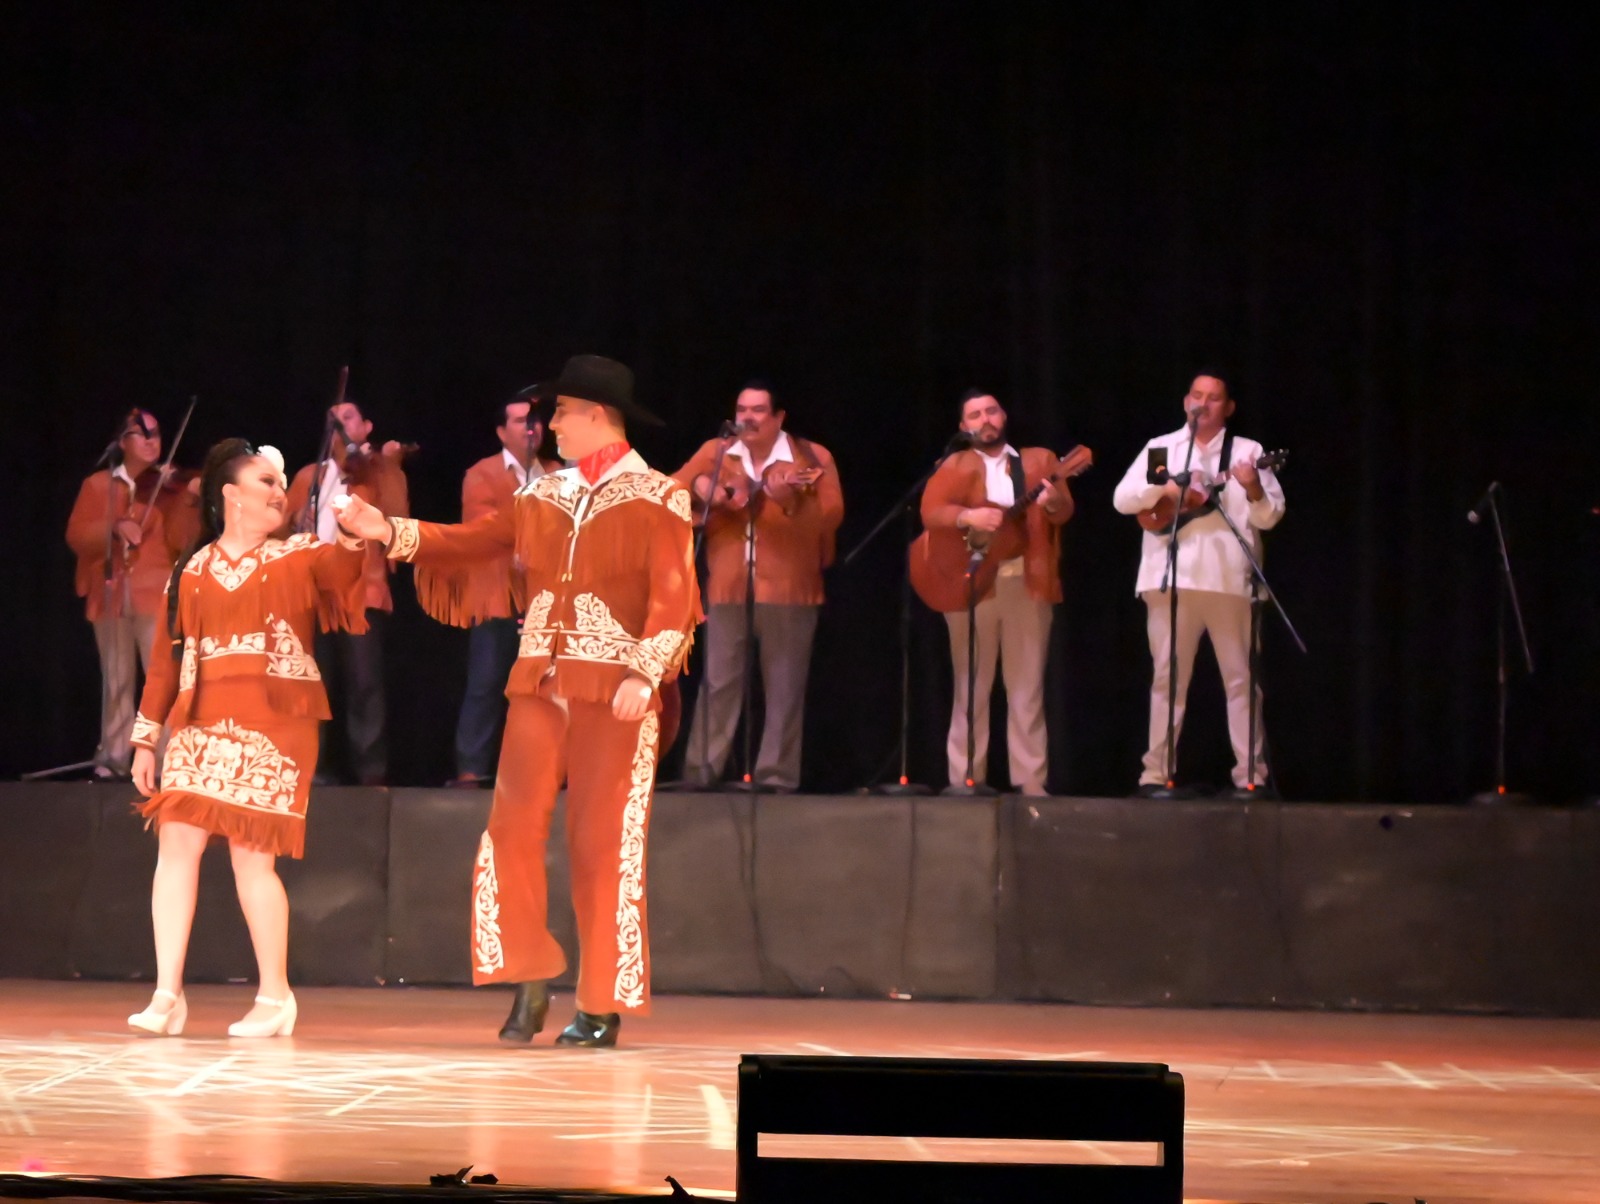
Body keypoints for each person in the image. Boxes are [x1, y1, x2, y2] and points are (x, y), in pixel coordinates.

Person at [337, 355, 699, 1048]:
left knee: (603, 842)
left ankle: (599, 1001)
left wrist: (643, 673)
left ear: (598, 416)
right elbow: (474, 542)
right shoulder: (545, 495)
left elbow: (674, 596)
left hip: (612, 687)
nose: (550, 423)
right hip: (540, 681)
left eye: (560, 412)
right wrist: (389, 531)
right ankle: (530, 973)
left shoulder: (659, 495)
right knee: (508, 831)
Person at [125, 438, 368, 1038]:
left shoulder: (299, 555)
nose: (278, 493)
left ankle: (275, 995)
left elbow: (342, 570)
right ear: (229, 494)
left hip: (276, 717)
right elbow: (163, 660)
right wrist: (144, 738)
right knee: (176, 842)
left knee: (250, 857)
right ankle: (166, 995)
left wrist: (357, 534)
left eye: (280, 485)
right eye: (265, 481)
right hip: (201, 716)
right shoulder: (190, 571)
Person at [1111, 371, 1286, 797]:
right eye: (1197, 396)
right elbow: (1123, 500)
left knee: (1241, 680)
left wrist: (1253, 488)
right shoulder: (1162, 449)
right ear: (1186, 400)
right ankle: (1155, 775)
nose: (1203, 404)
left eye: (1213, 398)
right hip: (1169, 579)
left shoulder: (1248, 452)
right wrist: (1165, 486)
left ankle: (1250, 777)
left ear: (1227, 408)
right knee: (1167, 679)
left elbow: (1269, 516)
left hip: (1229, 580)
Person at [668, 382, 843, 792]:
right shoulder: (717, 453)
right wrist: (700, 488)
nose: (748, 417)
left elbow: (831, 515)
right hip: (729, 585)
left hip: (789, 589)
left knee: (783, 685)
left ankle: (776, 776)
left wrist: (786, 500)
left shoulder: (811, 457)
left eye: (759, 410)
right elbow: (670, 487)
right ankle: (701, 772)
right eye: (742, 409)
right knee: (719, 681)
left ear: (779, 417)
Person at [917, 390, 1074, 795]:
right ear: (963, 426)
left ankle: (1031, 783)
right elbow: (930, 511)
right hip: (971, 584)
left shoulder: (1038, 460)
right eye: (974, 414)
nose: (985, 419)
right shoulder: (952, 464)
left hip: (1026, 580)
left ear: (1003, 415)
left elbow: (1063, 511)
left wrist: (1054, 502)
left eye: (991, 411)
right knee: (970, 685)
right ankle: (966, 778)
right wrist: (968, 515)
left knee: (1027, 688)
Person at [432, 390, 563, 788]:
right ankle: (471, 769)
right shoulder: (482, 473)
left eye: (535, 421)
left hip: (547, 599)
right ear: (502, 431)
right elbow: (482, 528)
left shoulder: (558, 471)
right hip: (497, 594)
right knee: (487, 683)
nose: (531, 428)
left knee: (544, 688)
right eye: (521, 421)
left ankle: (544, 770)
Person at [65, 409, 200, 779]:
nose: (152, 440)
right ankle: (113, 754)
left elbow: (182, 541)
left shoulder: (167, 490)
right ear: (122, 441)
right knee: (116, 678)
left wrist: (188, 500)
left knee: (160, 677)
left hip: (153, 592)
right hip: (108, 591)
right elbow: (77, 535)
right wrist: (114, 525)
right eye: (142, 433)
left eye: (156, 433)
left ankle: (167, 757)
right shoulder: (97, 485)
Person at [282, 400, 409, 785]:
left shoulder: (378, 472)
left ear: (367, 427)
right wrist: (293, 523)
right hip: (313, 591)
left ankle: (371, 773)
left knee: (363, 683)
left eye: (349, 417)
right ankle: (311, 768)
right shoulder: (310, 476)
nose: (339, 425)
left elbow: (397, 523)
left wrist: (385, 465)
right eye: (332, 420)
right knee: (312, 682)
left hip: (360, 589)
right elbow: (279, 528)